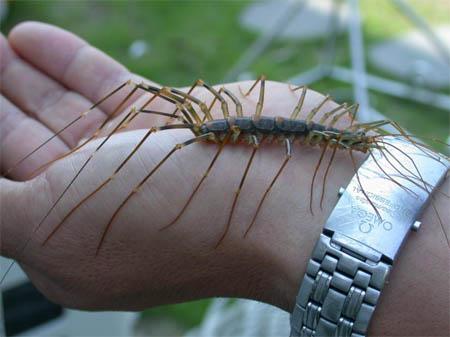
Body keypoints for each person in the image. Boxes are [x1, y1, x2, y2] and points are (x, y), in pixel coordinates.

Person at [0, 22, 448, 336]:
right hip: (226, 132)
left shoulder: (326, 140)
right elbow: (283, 152)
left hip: (246, 127)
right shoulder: (318, 138)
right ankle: (98, 176)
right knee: (156, 116)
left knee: (154, 111)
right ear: (333, 142)